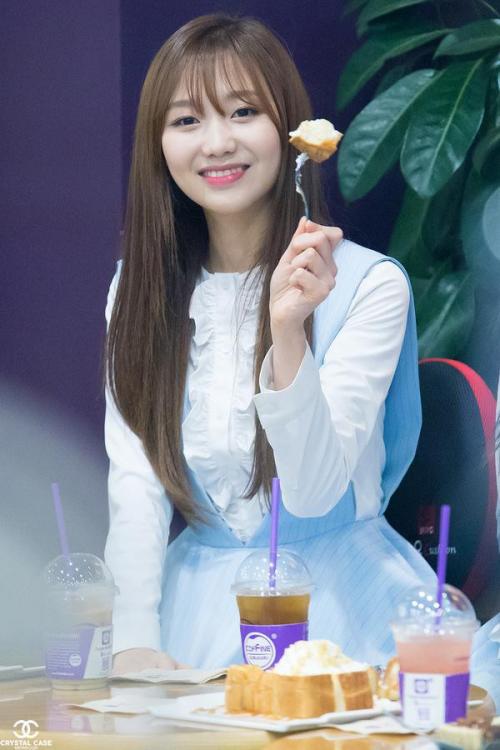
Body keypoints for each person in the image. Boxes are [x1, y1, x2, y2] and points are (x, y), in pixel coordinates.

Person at [104, 11, 438, 676]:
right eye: (186, 120)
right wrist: (134, 637)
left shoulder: (370, 286)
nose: (217, 142)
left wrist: (288, 331)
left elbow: (313, 494)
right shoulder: (136, 290)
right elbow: (136, 481)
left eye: (243, 112)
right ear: (159, 145)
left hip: (342, 603)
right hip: (194, 609)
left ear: (290, 130)